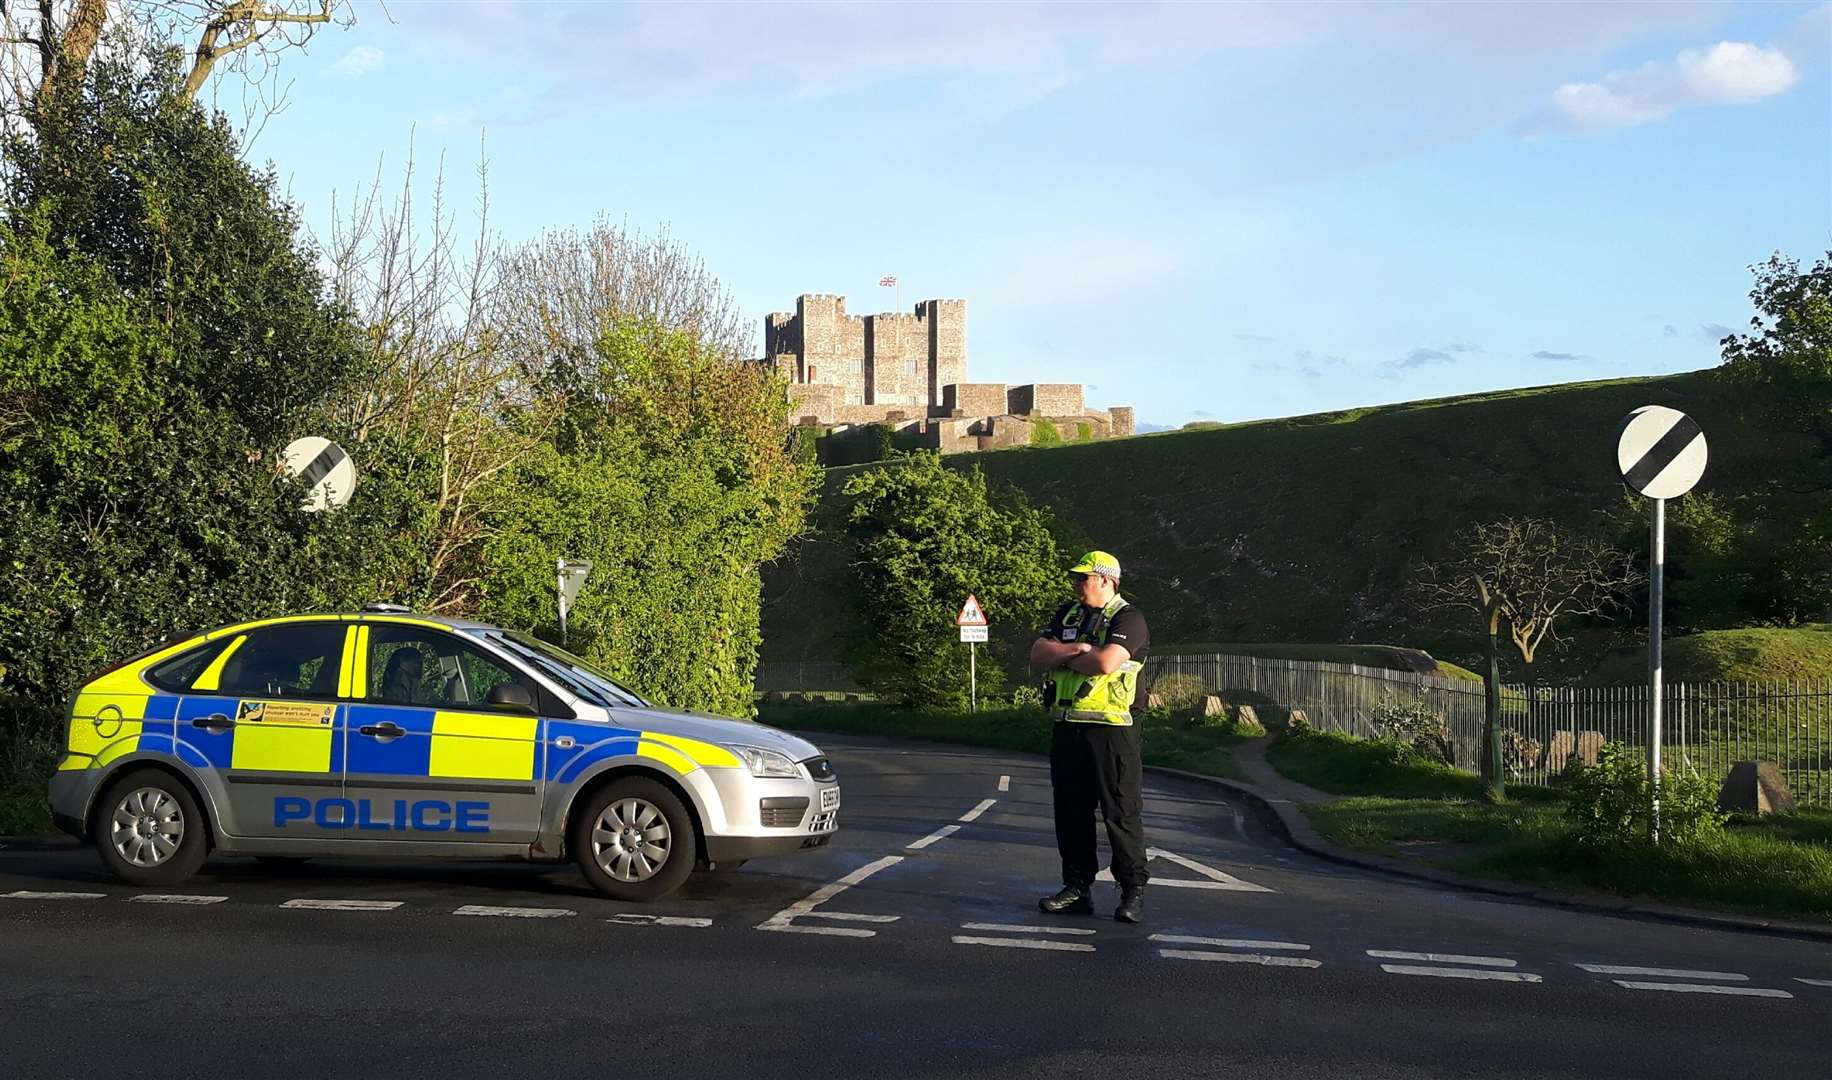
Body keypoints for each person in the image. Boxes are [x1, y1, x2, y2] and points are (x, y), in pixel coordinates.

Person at [1029, 550, 1151, 924]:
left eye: (1084, 577)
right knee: (1070, 811)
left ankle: (1132, 891)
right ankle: (1077, 887)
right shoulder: (1067, 613)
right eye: (1077, 577)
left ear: (1106, 580)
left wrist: (1065, 656)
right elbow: (1037, 652)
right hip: (1067, 726)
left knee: (1120, 812)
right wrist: (1077, 650)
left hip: (1113, 730)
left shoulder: (1128, 617)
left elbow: (1105, 663)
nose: (1077, 583)